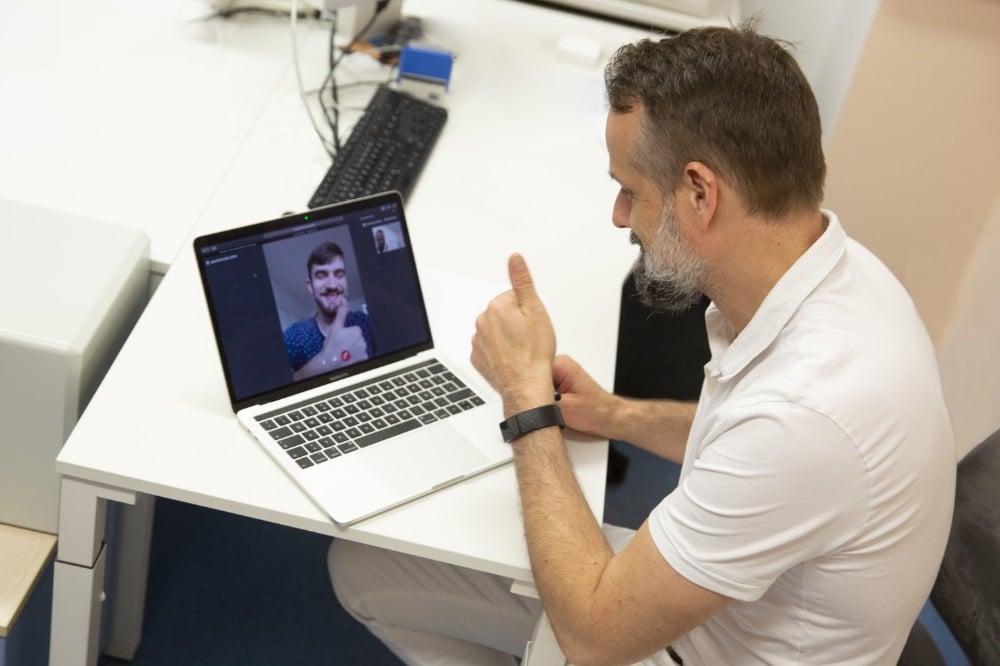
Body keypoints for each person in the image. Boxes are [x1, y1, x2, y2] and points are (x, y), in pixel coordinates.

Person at [329, 21, 956, 665]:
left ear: (699, 192)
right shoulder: (849, 276)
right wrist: (614, 415)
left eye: (631, 190)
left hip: (680, 647)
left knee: (362, 571)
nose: (619, 216)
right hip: (735, 610)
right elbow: (744, 440)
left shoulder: (807, 415)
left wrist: (525, 400)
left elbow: (595, 636)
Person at [283, 241, 374, 381]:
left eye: (339, 274)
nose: (332, 285)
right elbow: (274, 387)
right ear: (310, 286)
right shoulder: (294, 336)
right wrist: (326, 362)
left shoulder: (366, 321)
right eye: (321, 275)